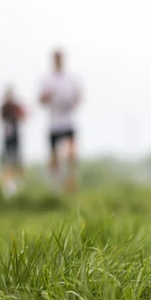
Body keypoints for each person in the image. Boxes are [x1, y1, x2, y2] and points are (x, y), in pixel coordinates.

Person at [39, 49, 83, 193]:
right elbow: (41, 100)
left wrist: (74, 102)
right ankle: (56, 184)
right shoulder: (47, 79)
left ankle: (71, 181)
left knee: (71, 154)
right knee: (54, 158)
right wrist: (47, 96)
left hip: (68, 121)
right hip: (54, 123)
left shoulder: (71, 78)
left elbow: (79, 95)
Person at [0, 87, 26, 197]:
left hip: (15, 138)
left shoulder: (16, 107)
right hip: (7, 139)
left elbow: (23, 116)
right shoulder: (4, 108)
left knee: (16, 161)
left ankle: (16, 181)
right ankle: (8, 184)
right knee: (7, 161)